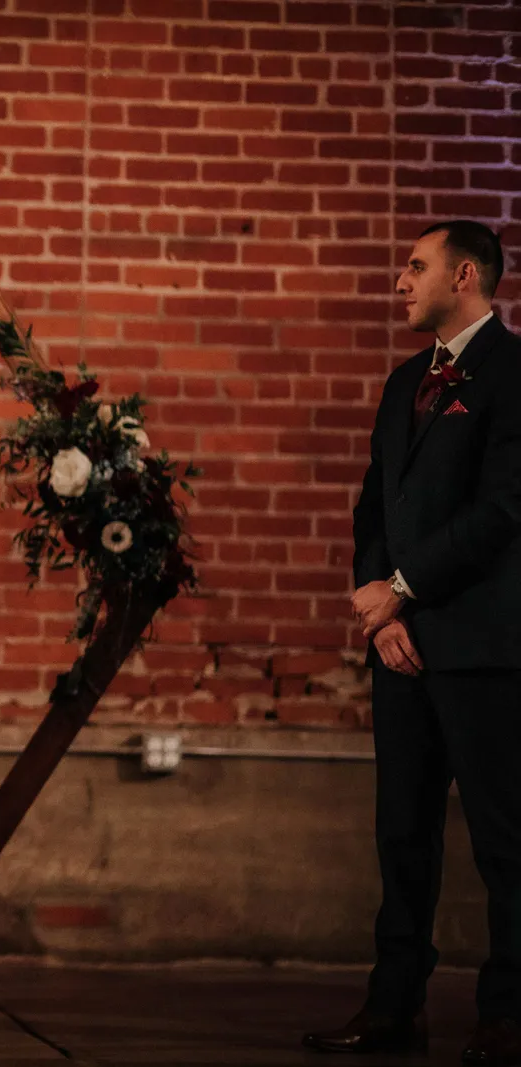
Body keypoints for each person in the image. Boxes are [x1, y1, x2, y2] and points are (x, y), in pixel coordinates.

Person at [306, 220, 521, 1064]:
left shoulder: (513, 373)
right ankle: (394, 1004)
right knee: (403, 832)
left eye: (415, 266)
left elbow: (504, 509)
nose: (400, 279)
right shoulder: (405, 382)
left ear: (465, 276)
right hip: (400, 646)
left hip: (483, 645)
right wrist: (383, 613)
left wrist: (404, 588)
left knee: (505, 838)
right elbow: (375, 508)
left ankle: (507, 1013)